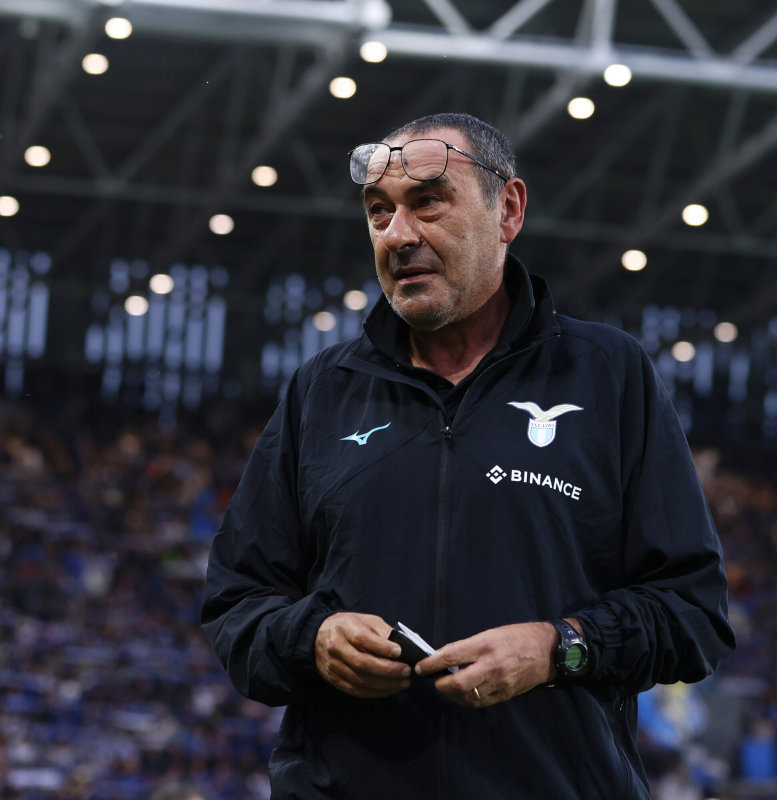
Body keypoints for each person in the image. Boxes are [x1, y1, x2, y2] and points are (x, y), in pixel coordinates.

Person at [201, 112, 735, 799]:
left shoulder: (608, 375)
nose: (398, 235)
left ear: (507, 210)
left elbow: (693, 613)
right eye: (379, 211)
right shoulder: (323, 391)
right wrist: (314, 636)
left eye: (428, 202)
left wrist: (558, 647)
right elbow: (236, 604)